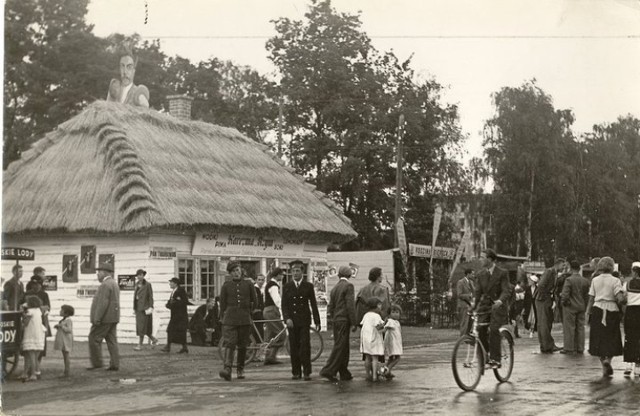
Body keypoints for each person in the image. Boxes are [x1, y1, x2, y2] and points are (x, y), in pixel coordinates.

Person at [586, 257, 625, 377]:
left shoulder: (595, 280)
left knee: (598, 338)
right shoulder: (615, 280)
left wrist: (587, 313)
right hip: (612, 310)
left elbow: (591, 298)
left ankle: (603, 362)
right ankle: (609, 360)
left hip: (597, 309)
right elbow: (619, 298)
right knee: (612, 337)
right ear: (612, 267)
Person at [282, 260, 321, 381]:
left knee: (305, 346)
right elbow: (284, 305)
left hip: (304, 320)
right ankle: (296, 372)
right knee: (294, 347)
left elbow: (313, 304)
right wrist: (287, 318)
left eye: (297, 271)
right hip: (292, 321)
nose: (295, 273)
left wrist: (317, 321)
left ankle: (307, 372)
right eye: (293, 271)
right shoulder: (287, 287)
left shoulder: (308, 286)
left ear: (302, 272)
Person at [218, 261, 257, 381]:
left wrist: (249, 313)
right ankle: (227, 369)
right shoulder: (226, 285)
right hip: (230, 319)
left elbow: (254, 302)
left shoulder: (248, 284)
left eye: (238, 270)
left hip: (244, 319)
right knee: (230, 343)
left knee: (242, 345)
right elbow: (223, 303)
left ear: (241, 271)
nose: (236, 273)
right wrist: (222, 317)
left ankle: (240, 369)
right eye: (233, 271)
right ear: (230, 273)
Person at [473, 248, 510, 368]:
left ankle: (496, 359)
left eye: (482, 257)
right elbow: (478, 293)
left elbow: (506, 290)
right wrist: (473, 306)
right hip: (486, 307)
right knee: (479, 329)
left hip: (498, 306)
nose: (480, 259)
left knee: (494, 329)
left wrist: (500, 300)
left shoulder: (502, 273)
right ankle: (485, 355)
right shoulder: (480, 274)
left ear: (490, 259)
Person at [319, 265, 357, 382]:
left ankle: (344, 372)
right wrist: (354, 321)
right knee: (341, 346)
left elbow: (331, 306)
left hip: (337, 320)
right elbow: (350, 305)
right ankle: (328, 370)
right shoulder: (349, 286)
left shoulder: (335, 288)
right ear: (349, 275)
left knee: (342, 346)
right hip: (344, 320)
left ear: (339, 275)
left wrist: (333, 317)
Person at [87, 263, 120, 371]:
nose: (97, 274)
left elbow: (102, 303)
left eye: (99, 272)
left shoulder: (105, 285)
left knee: (94, 339)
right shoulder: (114, 283)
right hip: (113, 317)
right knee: (111, 341)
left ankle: (97, 363)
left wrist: (97, 318)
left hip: (104, 319)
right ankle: (115, 364)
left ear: (104, 272)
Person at [559, 260, 590, 354]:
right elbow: (587, 295)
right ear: (579, 269)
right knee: (580, 327)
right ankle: (580, 348)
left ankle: (569, 348)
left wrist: (563, 302)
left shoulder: (569, 280)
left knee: (569, 327)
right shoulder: (585, 281)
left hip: (570, 307)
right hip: (581, 306)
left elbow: (565, 294)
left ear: (571, 268)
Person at [535, 258, 565, 353]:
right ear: (558, 264)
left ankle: (547, 345)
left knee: (547, 322)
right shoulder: (549, 272)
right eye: (563, 265)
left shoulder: (555, 273)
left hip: (546, 299)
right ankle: (547, 346)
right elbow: (541, 285)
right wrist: (546, 296)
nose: (564, 267)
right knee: (544, 323)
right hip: (542, 299)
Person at [25, 272, 51, 363]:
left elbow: (48, 307)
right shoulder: (27, 294)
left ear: (40, 284)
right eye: (33, 284)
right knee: (28, 346)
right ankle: (29, 367)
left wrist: (38, 308)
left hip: (41, 322)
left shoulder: (44, 295)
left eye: (37, 284)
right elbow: (21, 305)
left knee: (39, 347)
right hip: (29, 321)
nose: (35, 286)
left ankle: (37, 367)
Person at [263, 267, 285, 365]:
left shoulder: (269, 284)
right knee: (281, 333)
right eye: (281, 274)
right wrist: (284, 309)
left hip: (268, 310)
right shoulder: (273, 286)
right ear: (277, 275)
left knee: (270, 334)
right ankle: (271, 356)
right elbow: (277, 300)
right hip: (271, 310)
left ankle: (267, 357)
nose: (283, 276)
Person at [21, 295, 46, 382]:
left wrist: (23, 317)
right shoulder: (38, 311)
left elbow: (26, 323)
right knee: (35, 356)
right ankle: (37, 372)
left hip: (31, 334)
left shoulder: (30, 311)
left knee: (31, 355)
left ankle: (33, 374)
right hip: (39, 334)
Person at [162, 278, 190, 354]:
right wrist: (168, 305)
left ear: (175, 283)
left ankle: (170, 346)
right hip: (175, 315)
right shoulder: (173, 292)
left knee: (177, 330)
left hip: (180, 315)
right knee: (172, 330)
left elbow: (184, 301)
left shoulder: (181, 291)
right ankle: (179, 346)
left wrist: (174, 303)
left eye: (171, 282)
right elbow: (171, 301)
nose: (170, 284)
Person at [360, 298, 385, 381]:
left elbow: (362, 324)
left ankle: (368, 374)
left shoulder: (366, 315)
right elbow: (379, 327)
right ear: (377, 305)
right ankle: (374, 375)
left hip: (365, 339)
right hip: (374, 338)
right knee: (375, 358)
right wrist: (386, 327)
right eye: (380, 305)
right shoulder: (376, 316)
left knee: (367, 357)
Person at [133, 269, 158, 350]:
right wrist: (134, 308)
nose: (139, 276)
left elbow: (150, 296)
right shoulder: (136, 284)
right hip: (138, 309)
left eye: (141, 275)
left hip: (145, 309)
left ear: (143, 275)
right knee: (143, 328)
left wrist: (151, 307)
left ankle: (140, 345)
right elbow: (135, 297)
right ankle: (154, 340)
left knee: (142, 327)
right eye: (138, 275)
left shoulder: (147, 285)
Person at [622, 264, 640, 377]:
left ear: (635, 272)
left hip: (631, 311)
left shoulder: (627, 284)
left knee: (629, 336)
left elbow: (623, 298)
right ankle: (638, 366)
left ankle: (629, 364)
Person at [53, 304, 75, 378]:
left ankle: (67, 371)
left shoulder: (68, 320)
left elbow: (69, 330)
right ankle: (66, 371)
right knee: (65, 355)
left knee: (66, 355)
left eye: (62, 310)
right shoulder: (64, 320)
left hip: (66, 340)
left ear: (66, 313)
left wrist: (61, 326)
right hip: (63, 339)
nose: (60, 311)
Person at [383, 304, 403, 379]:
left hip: (396, 342)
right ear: (389, 314)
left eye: (397, 312)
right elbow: (385, 329)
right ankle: (388, 370)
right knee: (397, 358)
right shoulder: (391, 321)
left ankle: (386, 370)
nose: (395, 314)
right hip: (393, 343)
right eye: (393, 312)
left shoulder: (396, 322)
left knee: (391, 358)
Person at [456, 268, 475, 335]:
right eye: (472, 274)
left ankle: (468, 337)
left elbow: (474, 292)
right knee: (464, 322)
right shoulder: (460, 282)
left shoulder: (471, 282)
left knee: (471, 321)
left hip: (470, 305)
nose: (473, 275)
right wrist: (469, 295)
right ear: (468, 274)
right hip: (463, 305)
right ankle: (462, 337)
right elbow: (459, 294)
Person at [252, 274, 266, 342]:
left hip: (261, 313)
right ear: (255, 280)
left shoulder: (262, 289)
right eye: (259, 280)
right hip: (255, 313)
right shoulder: (254, 289)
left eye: (262, 280)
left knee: (260, 330)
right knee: (257, 331)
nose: (261, 281)